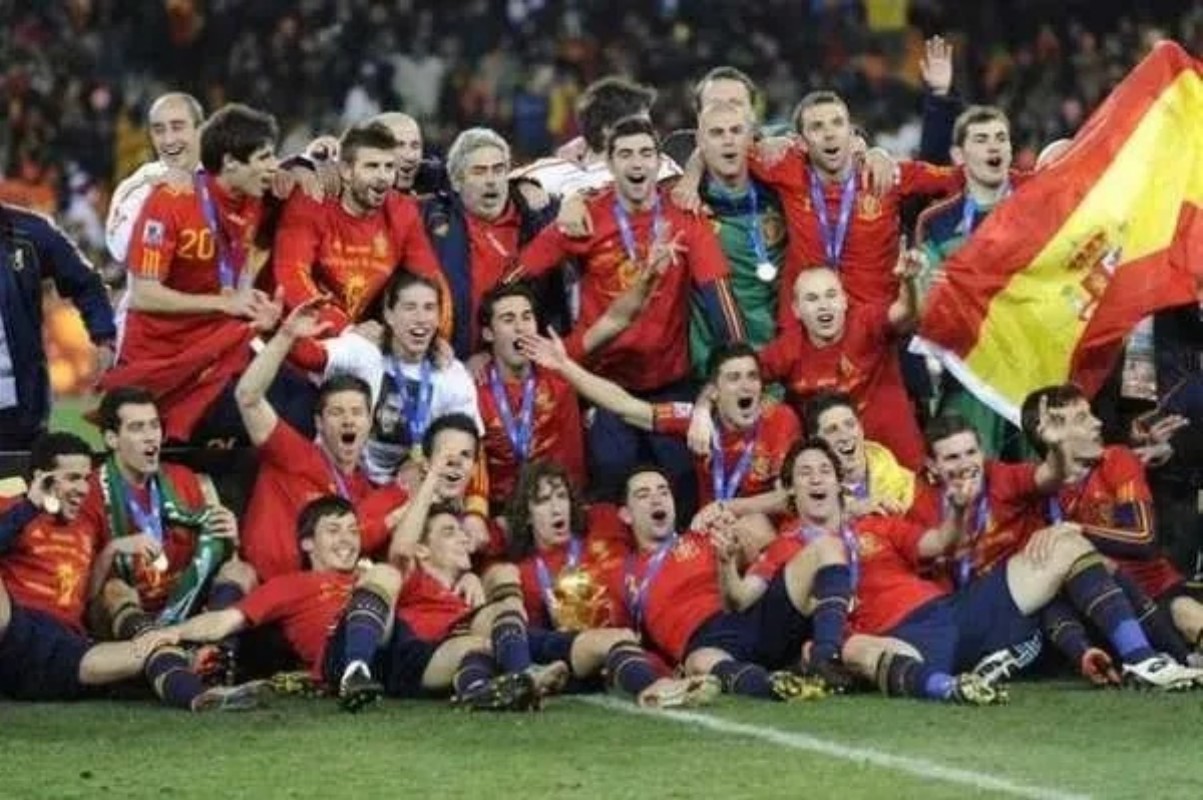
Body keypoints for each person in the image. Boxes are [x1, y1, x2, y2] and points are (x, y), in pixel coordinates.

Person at [512, 116, 745, 510]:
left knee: (686, 487)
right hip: (602, 384)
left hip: (671, 383)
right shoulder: (585, 216)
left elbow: (722, 305)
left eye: (645, 153)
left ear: (658, 162)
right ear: (610, 162)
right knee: (611, 485)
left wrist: (728, 376)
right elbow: (516, 278)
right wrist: (504, 340)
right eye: (625, 154)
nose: (637, 163)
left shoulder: (684, 217)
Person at [905, 413, 1202, 689]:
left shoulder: (1004, 476)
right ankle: (1145, 659)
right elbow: (937, 555)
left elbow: (1051, 476)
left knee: (1084, 565)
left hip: (1056, 595)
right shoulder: (921, 507)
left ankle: (1160, 659)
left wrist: (1058, 449)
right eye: (952, 457)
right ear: (931, 465)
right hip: (982, 608)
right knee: (1070, 548)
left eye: (971, 453)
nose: (965, 464)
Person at [0, 433, 263, 710]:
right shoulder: (11, 508)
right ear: (42, 478)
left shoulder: (85, 527)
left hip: (63, 651)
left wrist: (111, 550)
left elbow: (87, 599)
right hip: (13, 631)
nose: (83, 488)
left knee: (152, 647)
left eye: (86, 478)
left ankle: (201, 697)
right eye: (72, 478)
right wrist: (30, 505)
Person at [101, 103, 290, 445]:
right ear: (230, 162)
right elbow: (143, 293)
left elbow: (302, 175)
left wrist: (308, 165)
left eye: (178, 127)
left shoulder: (254, 198)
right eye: (264, 157)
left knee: (297, 400)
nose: (272, 166)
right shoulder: (168, 198)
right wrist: (224, 304)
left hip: (218, 347)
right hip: (164, 359)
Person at [155, 495, 409, 712]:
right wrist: (175, 631)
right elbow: (225, 620)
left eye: (353, 531)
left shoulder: (365, 579)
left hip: (393, 650)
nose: (347, 539)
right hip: (339, 657)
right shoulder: (290, 585)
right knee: (386, 572)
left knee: (389, 585)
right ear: (307, 543)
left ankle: (372, 674)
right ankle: (356, 671)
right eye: (333, 531)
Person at [608, 466, 835, 701]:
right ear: (626, 515)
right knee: (700, 662)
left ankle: (828, 660)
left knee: (822, 548)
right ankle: (774, 686)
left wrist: (728, 509)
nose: (657, 499)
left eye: (664, 492)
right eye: (643, 495)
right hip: (704, 642)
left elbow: (785, 506)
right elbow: (626, 641)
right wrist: (664, 670)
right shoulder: (621, 575)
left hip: (745, 614)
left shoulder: (704, 535)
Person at [504, 460, 721, 707]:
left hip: (639, 638)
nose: (556, 509)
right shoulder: (526, 574)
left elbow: (645, 519)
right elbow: (539, 639)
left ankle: (666, 679)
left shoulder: (603, 521)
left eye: (562, 496)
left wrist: (713, 515)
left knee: (644, 653)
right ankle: (653, 689)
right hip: (584, 654)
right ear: (526, 515)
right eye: (543, 501)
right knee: (614, 646)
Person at [235, 299, 410, 581]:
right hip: (265, 590)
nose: (348, 420)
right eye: (337, 412)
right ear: (319, 422)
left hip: (327, 598)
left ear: (369, 422)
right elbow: (248, 398)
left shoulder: (367, 493)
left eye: (357, 412)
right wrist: (286, 335)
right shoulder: (291, 452)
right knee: (235, 576)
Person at [1021, 384, 1203, 654]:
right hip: (1094, 610)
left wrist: (1077, 532)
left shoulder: (1116, 461)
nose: (1098, 423)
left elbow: (1143, 539)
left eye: (1091, 414)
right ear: (1050, 433)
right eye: (1082, 418)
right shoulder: (1035, 488)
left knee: (1183, 611)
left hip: (1155, 594)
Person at [81, 388, 254, 643]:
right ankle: (154, 648)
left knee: (242, 572)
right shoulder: (90, 493)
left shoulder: (183, 479)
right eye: (137, 428)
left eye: (154, 426)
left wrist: (230, 537)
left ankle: (216, 652)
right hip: (123, 616)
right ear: (112, 439)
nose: (150, 437)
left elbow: (226, 556)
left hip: (185, 601)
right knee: (114, 590)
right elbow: (83, 592)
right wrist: (112, 549)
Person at [914, 105, 1033, 456]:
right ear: (958, 155)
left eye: (1000, 138)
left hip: (1033, 362)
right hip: (970, 372)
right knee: (973, 468)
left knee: (1037, 475)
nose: (993, 146)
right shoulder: (937, 221)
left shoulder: (1037, 205)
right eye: (981, 140)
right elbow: (927, 303)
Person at [272, 122, 444, 353]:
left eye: (389, 167)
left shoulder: (401, 211)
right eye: (372, 166)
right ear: (346, 170)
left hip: (357, 346)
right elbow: (291, 275)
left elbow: (430, 281)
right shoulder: (312, 197)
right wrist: (345, 329)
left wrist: (438, 338)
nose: (383, 177)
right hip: (292, 342)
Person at [754, 250, 926, 468]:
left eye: (831, 295)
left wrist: (909, 282)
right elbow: (739, 374)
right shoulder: (787, 349)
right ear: (796, 310)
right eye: (812, 299)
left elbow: (906, 312)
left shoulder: (866, 323)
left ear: (844, 300)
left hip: (900, 466)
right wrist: (762, 402)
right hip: (836, 475)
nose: (824, 305)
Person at [421, 127, 564, 358]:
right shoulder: (433, 220)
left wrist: (576, 202)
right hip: (454, 361)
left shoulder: (539, 216)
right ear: (456, 182)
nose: (491, 181)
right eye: (479, 172)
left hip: (529, 361)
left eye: (498, 170)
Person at [0, 202, 116, 449]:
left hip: (19, 408)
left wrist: (104, 338)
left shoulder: (29, 233)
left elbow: (87, 284)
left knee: (22, 471)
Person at [105, 93, 205, 268]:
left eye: (177, 127)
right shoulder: (137, 186)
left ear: (200, 130)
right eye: (159, 130)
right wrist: (155, 203)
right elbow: (121, 250)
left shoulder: (227, 178)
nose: (168, 140)